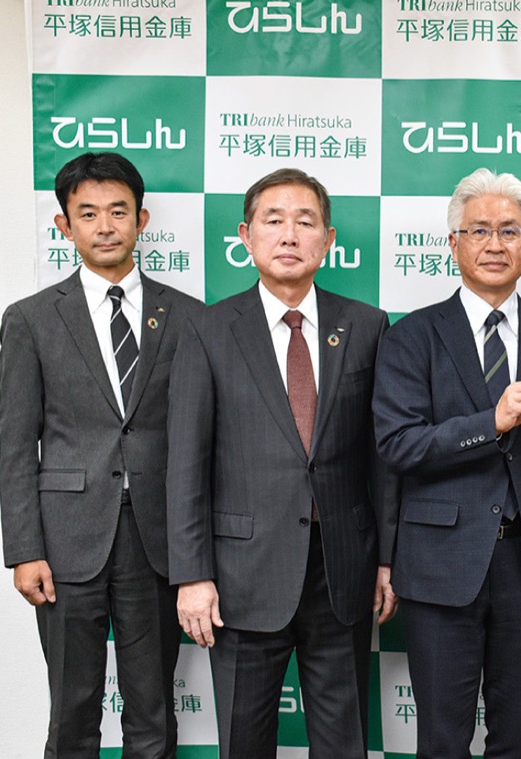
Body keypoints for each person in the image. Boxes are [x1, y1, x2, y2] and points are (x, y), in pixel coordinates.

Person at [374, 167, 521, 758]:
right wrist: (493, 421)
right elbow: (399, 445)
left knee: (519, 738)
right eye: (478, 230)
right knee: (441, 740)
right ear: (453, 243)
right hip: (440, 567)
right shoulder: (411, 336)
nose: (494, 244)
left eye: (509, 231)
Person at [167, 168, 395, 758]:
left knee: (344, 744)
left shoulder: (366, 326)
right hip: (241, 574)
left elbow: (381, 457)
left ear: (328, 238)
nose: (289, 235)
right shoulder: (208, 330)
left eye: (305, 222)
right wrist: (192, 575)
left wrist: (387, 559)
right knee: (244, 742)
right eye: (273, 220)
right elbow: (186, 463)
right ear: (246, 236)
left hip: (342, 569)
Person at [0, 152, 202, 758]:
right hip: (64, 542)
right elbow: (16, 442)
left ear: (142, 220)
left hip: (157, 538)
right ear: (65, 226)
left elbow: (200, 438)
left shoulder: (189, 316)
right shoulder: (31, 319)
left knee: (153, 708)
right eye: (87, 214)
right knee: (72, 707)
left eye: (118, 211)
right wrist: (24, 549)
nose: (105, 226)